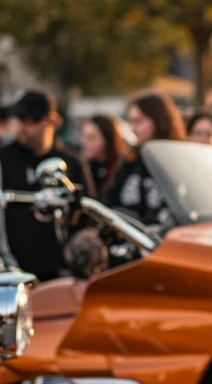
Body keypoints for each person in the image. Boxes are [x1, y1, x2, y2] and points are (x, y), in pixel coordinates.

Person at [0, 89, 87, 279]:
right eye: (20, 119)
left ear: (52, 121)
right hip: (13, 269)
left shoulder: (71, 162)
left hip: (61, 270)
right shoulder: (4, 159)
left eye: (32, 120)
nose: (23, 127)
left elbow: (87, 213)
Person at [106, 91, 184, 227]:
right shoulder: (130, 162)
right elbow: (112, 204)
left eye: (139, 121)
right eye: (131, 121)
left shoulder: (181, 162)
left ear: (160, 120)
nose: (133, 128)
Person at [79, 114, 125, 195]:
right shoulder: (84, 167)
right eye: (83, 136)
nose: (84, 143)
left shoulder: (122, 167)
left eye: (91, 138)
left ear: (107, 139)